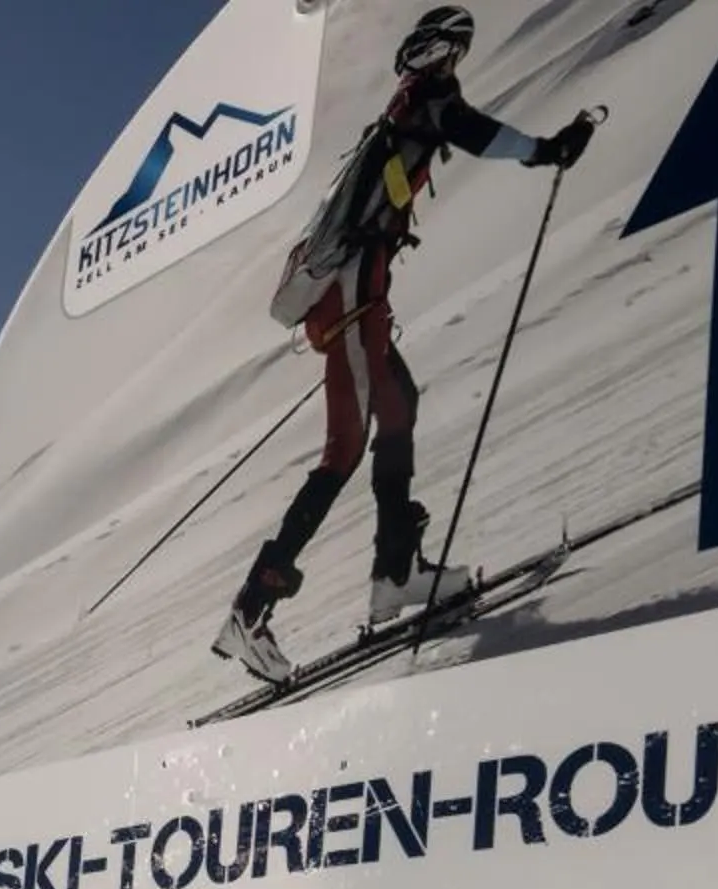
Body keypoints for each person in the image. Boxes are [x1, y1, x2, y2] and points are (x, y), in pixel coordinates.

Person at [215, 5, 596, 685]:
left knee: (399, 407)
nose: (456, 68)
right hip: (356, 302)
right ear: (434, 56)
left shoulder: (402, 110)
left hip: (360, 300)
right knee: (343, 454)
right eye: (453, 54)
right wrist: (548, 149)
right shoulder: (427, 103)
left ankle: (396, 573)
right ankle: (253, 610)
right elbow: (476, 131)